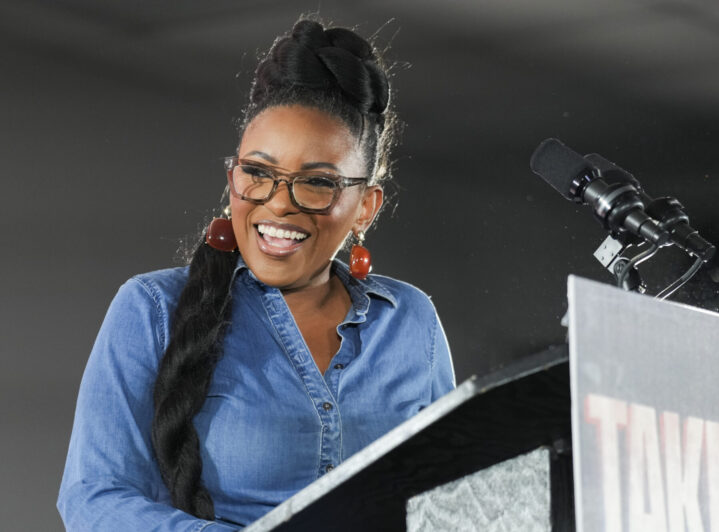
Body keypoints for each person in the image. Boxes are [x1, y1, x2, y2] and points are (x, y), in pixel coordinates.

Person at [57, 19, 456, 531]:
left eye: (316, 183)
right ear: (233, 180)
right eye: (259, 173)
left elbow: (455, 500)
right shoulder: (153, 309)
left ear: (365, 208)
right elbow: (95, 500)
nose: (279, 204)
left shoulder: (410, 322)